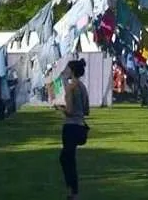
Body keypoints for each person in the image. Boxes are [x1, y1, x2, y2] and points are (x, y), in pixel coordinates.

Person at [58, 59, 90, 199]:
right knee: (68, 158)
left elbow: (69, 111)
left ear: (71, 71)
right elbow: (86, 110)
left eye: (67, 68)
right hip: (80, 127)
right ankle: (72, 192)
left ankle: (73, 192)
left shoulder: (71, 87)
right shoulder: (82, 87)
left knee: (67, 160)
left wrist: (59, 107)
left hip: (70, 126)